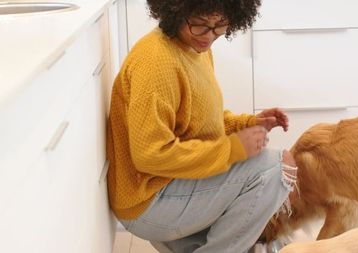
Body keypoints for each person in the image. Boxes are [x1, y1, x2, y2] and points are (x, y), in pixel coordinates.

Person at [106, 0, 297, 252]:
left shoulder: (196, 48)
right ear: (176, 13)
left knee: (267, 244)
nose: (210, 36)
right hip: (147, 202)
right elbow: (149, 156)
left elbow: (201, 122)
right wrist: (232, 149)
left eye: (220, 26)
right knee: (275, 167)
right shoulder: (156, 62)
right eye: (200, 25)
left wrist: (249, 123)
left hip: (172, 186)